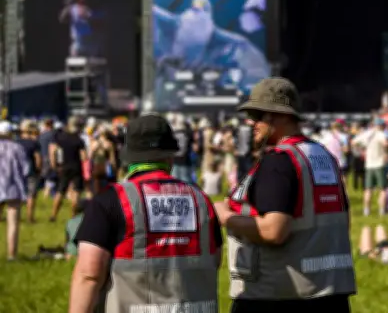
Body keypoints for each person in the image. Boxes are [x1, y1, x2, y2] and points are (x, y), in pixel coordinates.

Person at [215, 77, 356, 313]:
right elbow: (343, 221)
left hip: (278, 294)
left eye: (258, 115)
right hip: (331, 293)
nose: (251, 122)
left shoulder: (279, 161)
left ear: (279, 116)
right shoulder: (323, 156)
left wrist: (225, 216)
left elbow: (274, 230)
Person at [69, 114, 222, 313]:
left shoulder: (110, 201)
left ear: (129, 157)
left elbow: (89, 274)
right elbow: (214, 260)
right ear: (170, 156)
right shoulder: (201, 200)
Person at [0, 121, 30, 261]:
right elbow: (26, 169)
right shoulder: (18, 148)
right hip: (13, 188)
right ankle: (12, 255)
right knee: (12, 223)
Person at [50, 117, 88, 221]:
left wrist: (54, 164)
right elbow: (84, 157)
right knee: (76, 192)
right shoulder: (79, 140)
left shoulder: (61, 137)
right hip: (76, 167)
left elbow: (53, 151)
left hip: (64, 167)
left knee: (60, 191)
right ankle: (73, 216)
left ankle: (53, 215)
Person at [17, 120, 42, 223]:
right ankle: (29, 217)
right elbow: (38, 158)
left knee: (18, 195)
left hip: (18, 171)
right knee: (31, 195)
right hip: (31, 171)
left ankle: (16, 215)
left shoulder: (16, 142)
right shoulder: (34, 143)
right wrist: (39, 169)